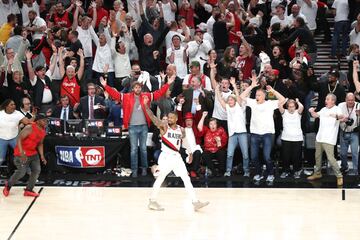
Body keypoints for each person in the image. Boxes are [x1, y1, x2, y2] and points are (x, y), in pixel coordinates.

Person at [143, 96, 209, 211]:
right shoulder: (164, 127)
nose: (169, 119)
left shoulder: (181, 129)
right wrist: (145, 106)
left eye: (171, 118)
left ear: (176, 119)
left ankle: (195, 202)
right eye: (168, 117)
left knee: (186, 178)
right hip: (166, 156)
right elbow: (153, 118)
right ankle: (152, 201)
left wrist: (190, 153)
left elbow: (185, 141)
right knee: (160, 178)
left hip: (176, 157)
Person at [100, 76, 175, 177]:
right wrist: (105, 86)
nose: (137, 89)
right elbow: (115, 94)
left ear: (141, 88)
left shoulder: (146, 96)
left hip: (143, 126)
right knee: (134, 149)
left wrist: (168, 84)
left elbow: (159, 93)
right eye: (135, 87)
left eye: (139, 87)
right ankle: (134, 169)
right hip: (132, 127)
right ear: (132, 89)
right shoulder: (126, 97)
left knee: (143, 149)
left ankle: (144, 169)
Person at [240, 73, 286, 183]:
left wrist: (273, 91)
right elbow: (241, 97)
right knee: (254, 157)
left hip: (267, 133)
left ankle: (270, 173)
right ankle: (258, 173)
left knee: (267, 157)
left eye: (259, 95)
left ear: (264, 96)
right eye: (256, 95)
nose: (257, 97)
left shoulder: (270, 103)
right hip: (255, 133)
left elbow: (283, 100)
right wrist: (251, 86)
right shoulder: (253, 103)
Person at [3, 114, 48, 197]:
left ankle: (28, 190)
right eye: (44, 120)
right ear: (38, 121)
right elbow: (19, 139)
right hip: (22, 154)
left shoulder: (43, 130)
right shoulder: (29, 128)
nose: (46, 122)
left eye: (46, 120)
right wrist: (21, 153)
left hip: (33, 153)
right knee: (21, 172)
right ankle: (8, 186)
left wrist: (42, 156)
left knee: (36, 170)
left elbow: (40, 143)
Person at [215, 77, 249, 177]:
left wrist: (234, 85)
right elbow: (220, 100)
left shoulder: (239, 106)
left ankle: (246, 171)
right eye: (228, 99)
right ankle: (228, 171)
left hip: (242, 133)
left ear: (234, 101)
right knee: (229, 154)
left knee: (245, 155)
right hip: (232, 134)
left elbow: (238, 98)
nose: (229, 100)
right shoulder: (228, 108)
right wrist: (217, 89)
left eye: (231, 99)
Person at [307, 94, 343, 186]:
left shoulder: (337, 109)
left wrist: (335, 116)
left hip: (329, 139)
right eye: (326, 99)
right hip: (319, 138)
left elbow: (341, 117)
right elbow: (315, 115)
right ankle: (318, 173)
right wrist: (311, 111)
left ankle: (339, 176)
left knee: (331, 159)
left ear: (333, 101)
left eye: (328, 99)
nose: (326, 100)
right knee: (317, 157)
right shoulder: (323, 109)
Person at [0, 99, 33, 177]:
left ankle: (30, 174)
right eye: (11, 104)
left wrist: (33, 116)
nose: (14, 106)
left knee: (22, 155)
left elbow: (27, 122)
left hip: (14, 138)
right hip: (1, 139)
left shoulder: (17, 113)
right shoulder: (0, 113)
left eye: (14, 104)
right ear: (6, 106)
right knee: (1, 159)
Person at [278, 98, 304, 179]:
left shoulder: (298, 112)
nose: (291, 108)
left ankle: (296, 171)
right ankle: (285, 171)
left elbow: (302, 107)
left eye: (292, 106)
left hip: (297, 138)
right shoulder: (284, 112)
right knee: (286, 156)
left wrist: (298, 101)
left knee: (296, 156)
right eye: (289, 106)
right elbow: (279, 105)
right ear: (287, 107)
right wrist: (285, 100)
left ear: (295, 106)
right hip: (286, 138)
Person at [338, 93, 359, 175]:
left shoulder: (358, 106)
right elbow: (336, 118)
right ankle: (344, 167)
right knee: (343, 153)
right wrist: (343, 119)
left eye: (352, 100)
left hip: (354, 132)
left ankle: (355, 171)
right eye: (349, 100)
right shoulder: (340, 106)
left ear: (354, 99)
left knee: (354, 153)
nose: (351, 102)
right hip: (343, 131)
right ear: (345, 99)